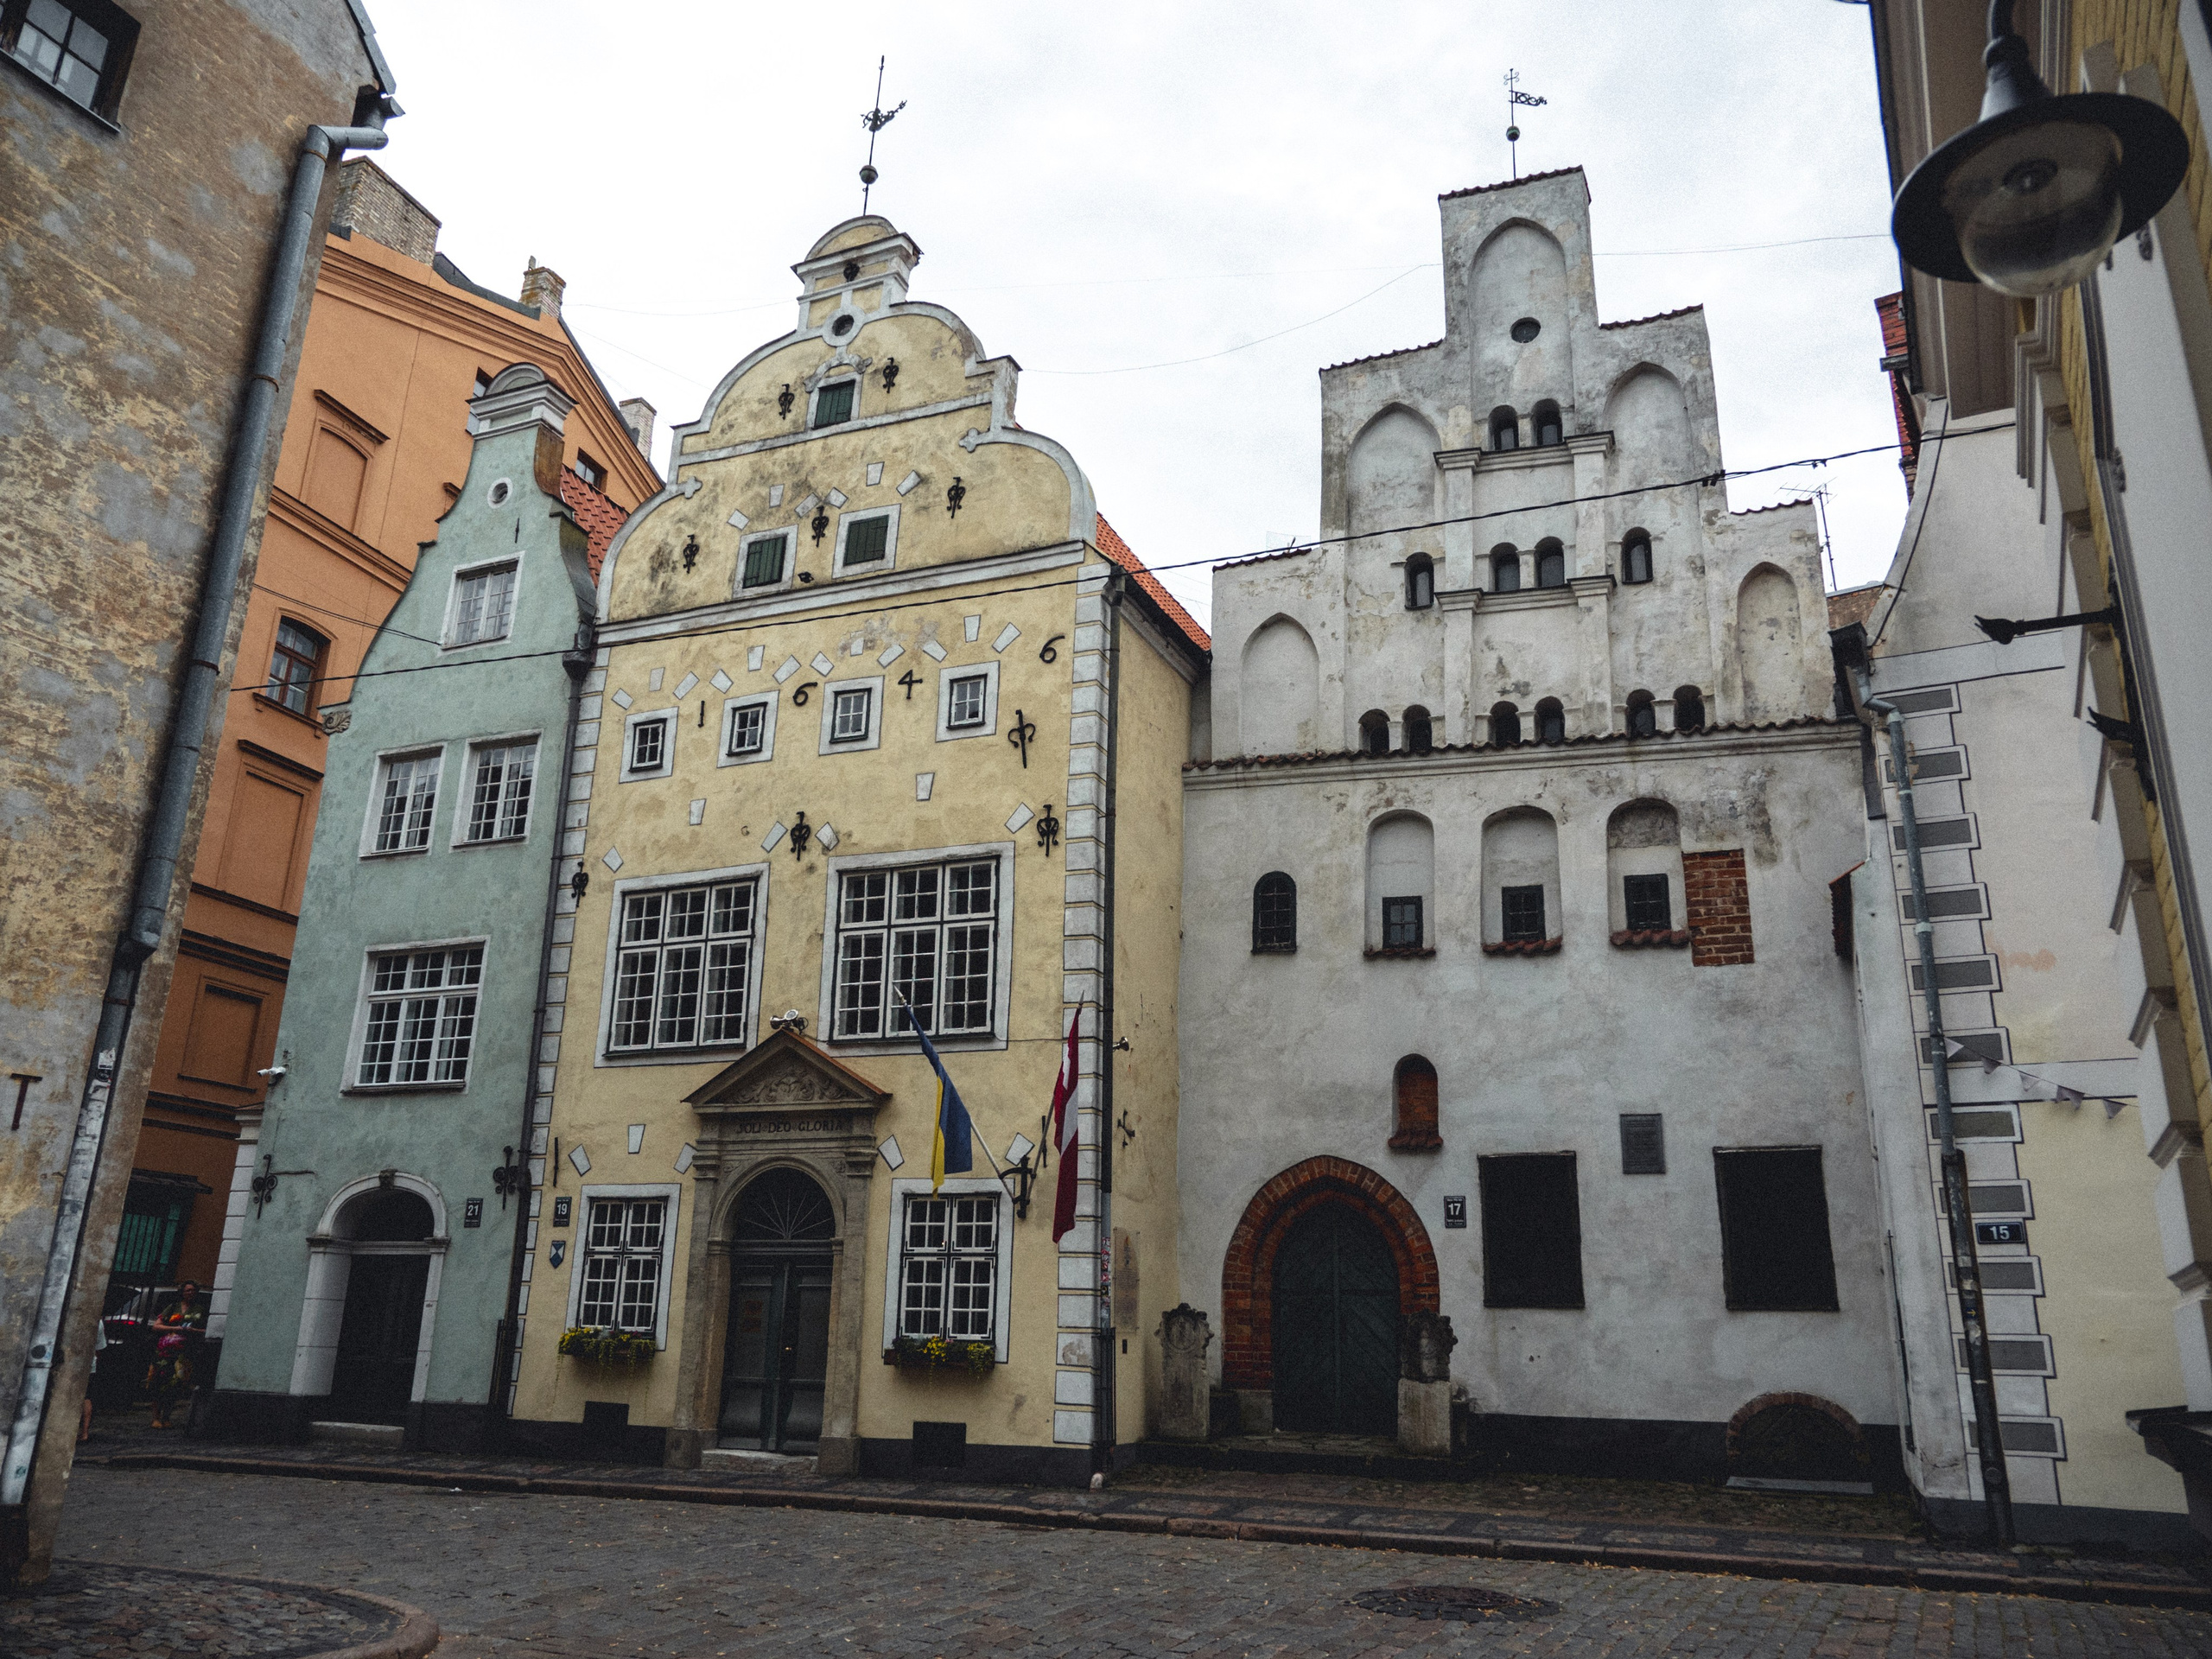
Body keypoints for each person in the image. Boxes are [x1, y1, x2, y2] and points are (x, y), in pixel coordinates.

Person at [145, 1281, 205, 1429]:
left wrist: (193, 1331)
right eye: (187, 1290)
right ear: (182, 1292)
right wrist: (174, 1328)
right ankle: (156, 1417)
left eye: (193, 1291)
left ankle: (167, 1417)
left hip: (184, 1353)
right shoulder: (172, 1308)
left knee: (176, 1385)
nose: (190, 1293)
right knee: (158, 1383)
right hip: (165, 1353)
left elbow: (207, 1330)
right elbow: (156, 1326)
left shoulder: (200, 1310)